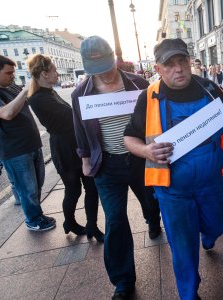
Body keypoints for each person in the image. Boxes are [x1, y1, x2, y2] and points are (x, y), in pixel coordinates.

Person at [123, 38, 223, 300]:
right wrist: (146, 151)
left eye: (182, 62)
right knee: (183, 246)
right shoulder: (148, 97)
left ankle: (209, 235)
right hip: (172, 190)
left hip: (210, 183)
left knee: (216, 224)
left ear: (190, 62)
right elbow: (129, 138)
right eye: (170, 64)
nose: (178, 69)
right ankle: (189, 292)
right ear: (159, 68)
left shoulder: (211, 89)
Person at [71, 36, 161, 300]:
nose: (105, 75)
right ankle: (123, 281)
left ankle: (153, 220)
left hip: (140, 159)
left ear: (115, 58)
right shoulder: (81, 94)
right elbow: (79, 129)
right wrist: (85, 158)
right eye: (97, 71)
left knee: (151, 201)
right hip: (108, 164)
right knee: (116, 221)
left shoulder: (139, 84)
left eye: (108, 67)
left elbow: (154, 121)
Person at [26, 54, 104, 241]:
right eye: (54, 70)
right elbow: (71, 115)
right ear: (44, 74)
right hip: (64, 148)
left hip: (75, 142)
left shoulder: (49, 92)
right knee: (73, 189)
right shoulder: (37, 98)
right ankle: (69, 221)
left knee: (92, 187)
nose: (57, 74)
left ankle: (92, 225)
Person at [0, 55, 56, 231]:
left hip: (31, 144)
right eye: (8, 73)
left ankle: (37, 215)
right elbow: (7, 113)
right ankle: (33, 220)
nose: (12, 76)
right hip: (14, 151)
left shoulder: (12, 86)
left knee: (36, 185)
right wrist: (24, 91)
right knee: (27, 189)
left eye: (13, 72)